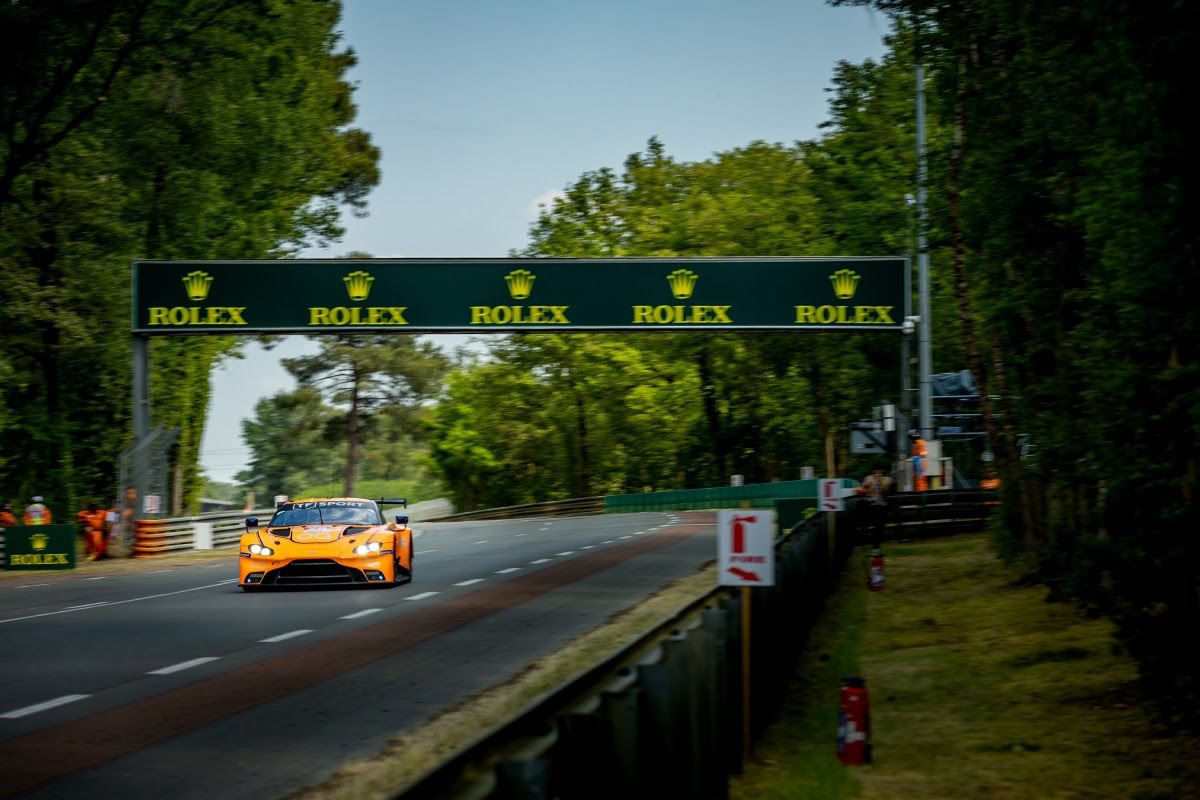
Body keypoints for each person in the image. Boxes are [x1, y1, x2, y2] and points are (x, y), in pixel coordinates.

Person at [857, 465, 895, 548]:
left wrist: (881, 482)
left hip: (882, 505)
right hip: (871, 504)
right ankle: (867, 541)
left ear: (883, 471)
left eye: (880, 471)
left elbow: (887, 491)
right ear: (873, 471)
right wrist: (870, 488)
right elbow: (863, 490)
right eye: (876, 471)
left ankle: (876, 544)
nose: (878, 472)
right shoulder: (868, 478)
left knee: (880, 525)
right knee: (869, 524)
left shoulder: (887, 479)